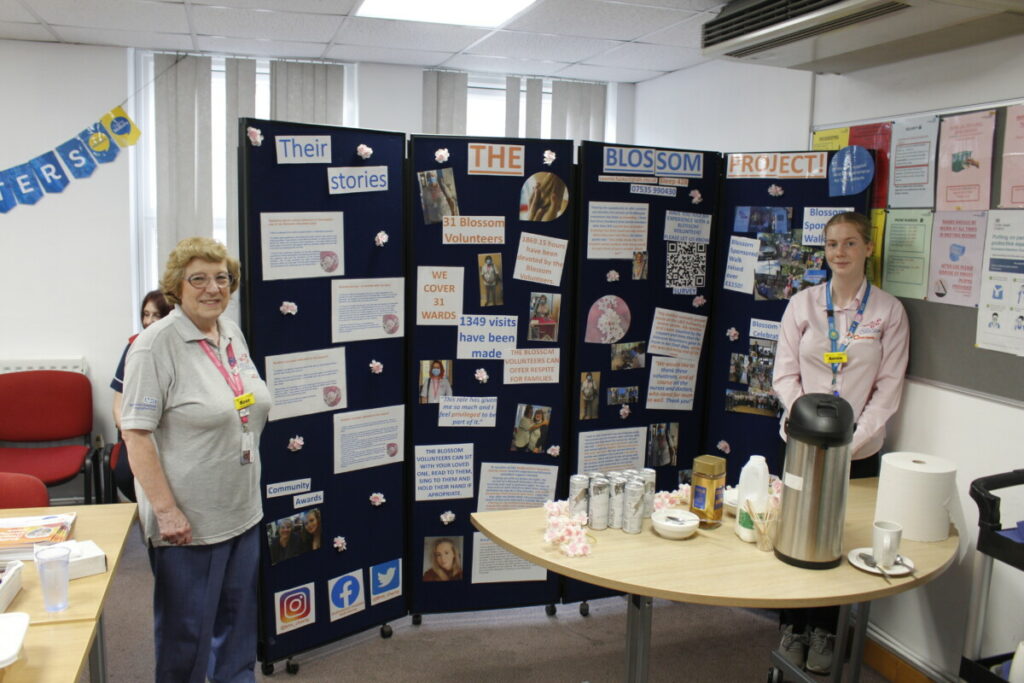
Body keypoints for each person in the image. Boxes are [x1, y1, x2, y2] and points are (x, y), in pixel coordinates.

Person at [122, 237, 271, 682]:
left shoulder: (229, 332)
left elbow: (245, 403)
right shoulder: (155, 345)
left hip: (242, 510)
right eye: (198, 279)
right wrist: (166, 512)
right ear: (177, 288)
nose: (212, 288)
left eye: (221, 278)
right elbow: (135, 433)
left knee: (238, 632)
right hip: (187, 523)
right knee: (186, 642)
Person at [772, 212, 909, 675]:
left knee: (838, 545)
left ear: (869, 249)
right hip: (801, 447)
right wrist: (810, 429)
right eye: (832, 244)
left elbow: (888, 392)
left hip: (857, 453)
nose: (840, 253)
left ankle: (827, 631)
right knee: (795, 540)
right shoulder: (803, 305)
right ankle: (792, 626)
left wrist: (845, 447)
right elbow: (784, 376)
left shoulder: (888, 312)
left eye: (850, 243)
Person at [110, 289, 172, 502]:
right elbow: (118, 404)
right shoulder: (133, 347)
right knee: (125, 475)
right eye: (146, 314)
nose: (149, 321)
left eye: (156, 315)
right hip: (138, 431)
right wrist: (129, 434)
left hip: (171, 434)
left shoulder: (178, 348)